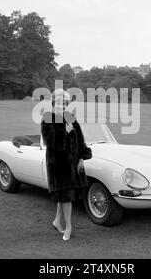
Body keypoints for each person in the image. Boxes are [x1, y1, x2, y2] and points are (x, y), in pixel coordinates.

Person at [41, 89, 91, 241]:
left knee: (64, 195)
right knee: (66, 196)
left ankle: (57, 221)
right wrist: (66, 132)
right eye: (59, 102)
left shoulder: (70, 117)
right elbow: (52, 144)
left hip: (73, 163)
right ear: (54, 103)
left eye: (65, 103)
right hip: (58, 165)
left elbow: (80, 140)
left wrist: (82, 158)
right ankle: (68, 227)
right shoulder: (47, 118)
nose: (62, 105)